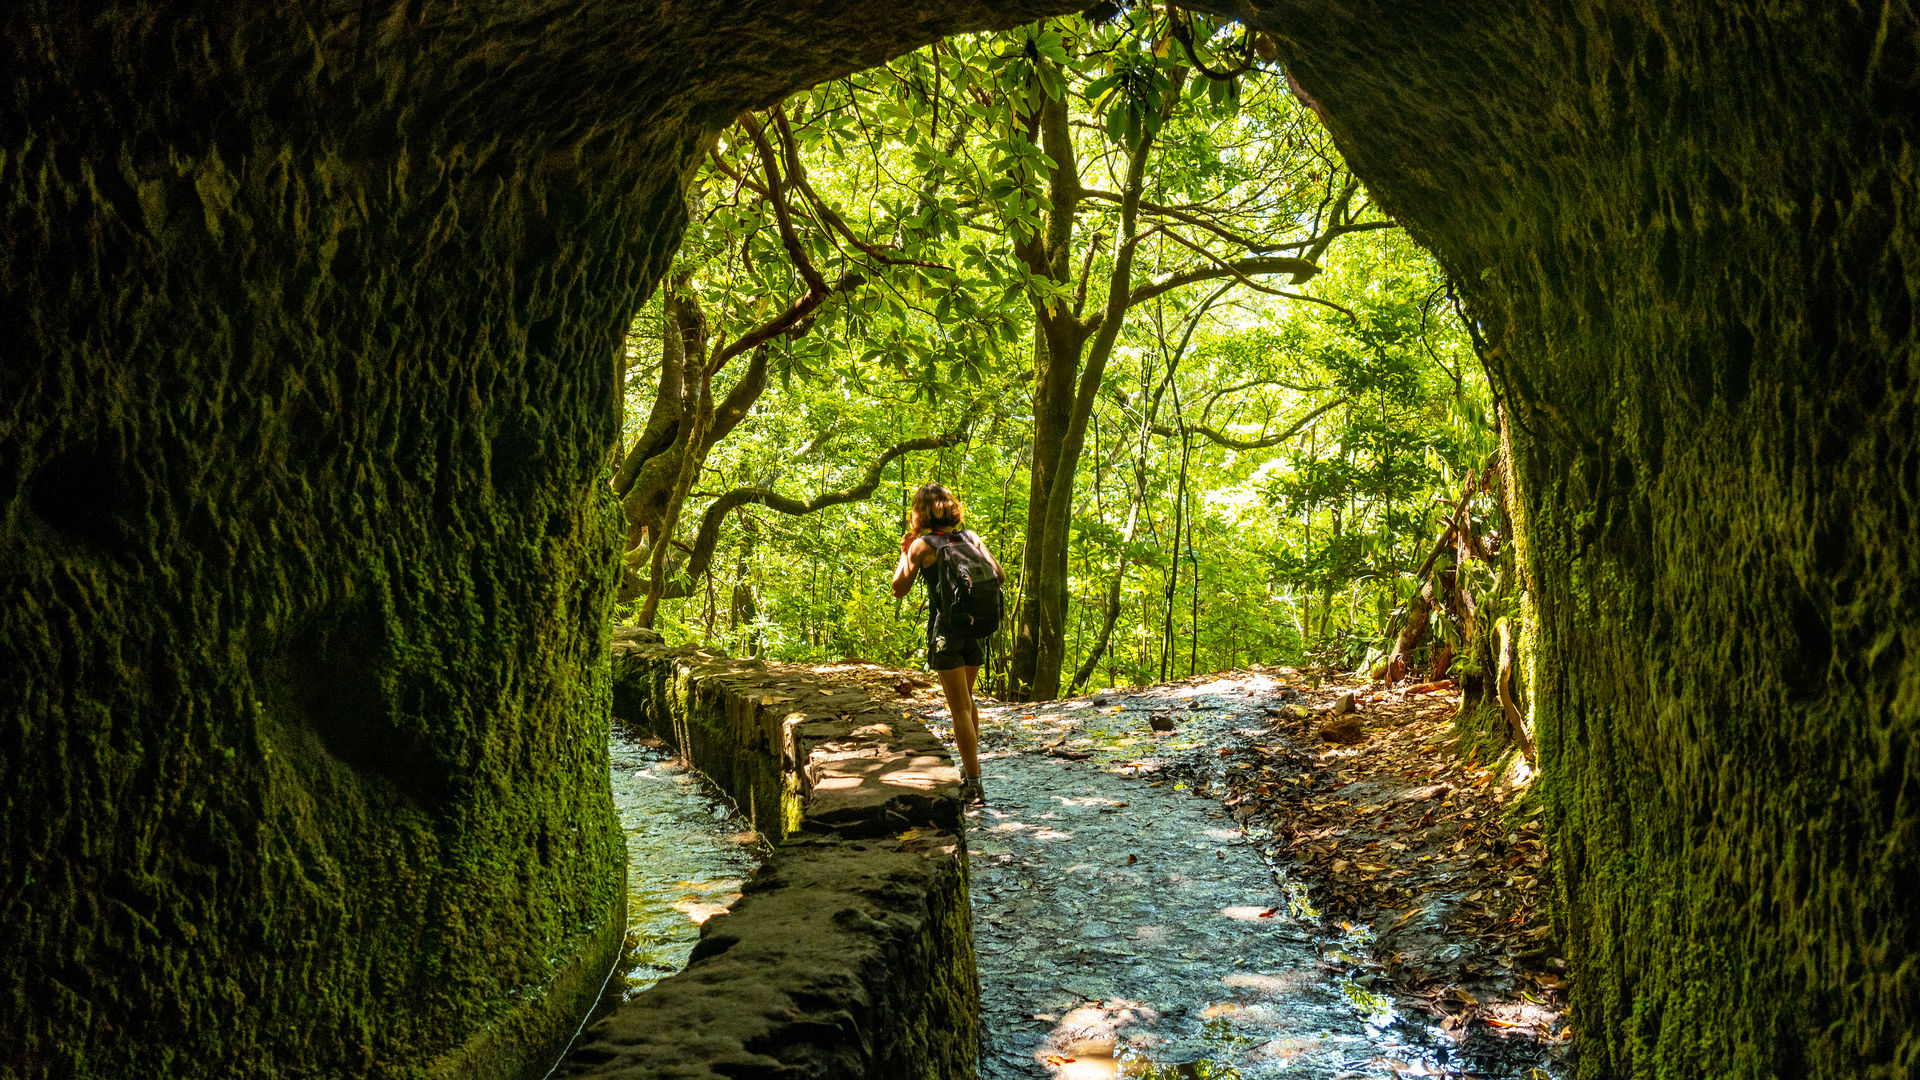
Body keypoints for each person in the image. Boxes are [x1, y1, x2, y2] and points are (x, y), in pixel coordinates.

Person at [891, 482, 1003, 806]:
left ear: (921, 512)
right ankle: (973, 771)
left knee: (959, 708)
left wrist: (904, 551)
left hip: (946, 633)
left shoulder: (921, 546)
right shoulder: (971, 538)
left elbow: (899, 588)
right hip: (976, 627)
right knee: (967, 702)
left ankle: (973, 783)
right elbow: (1000, 576)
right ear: (951, 509)